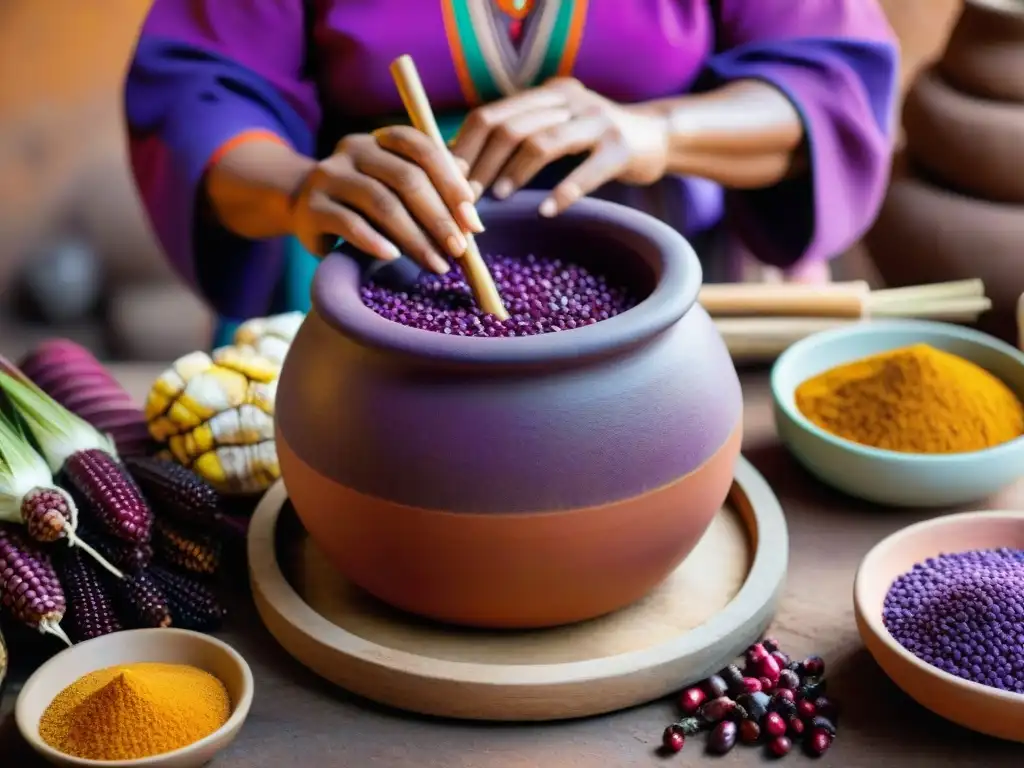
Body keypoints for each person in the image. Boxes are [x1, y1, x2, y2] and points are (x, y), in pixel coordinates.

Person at [126, 1, 899, 347]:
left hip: (689, 304)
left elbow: (833, 83)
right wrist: (299, 188)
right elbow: (201, 92)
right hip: (368, 292)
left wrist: (654, 130)